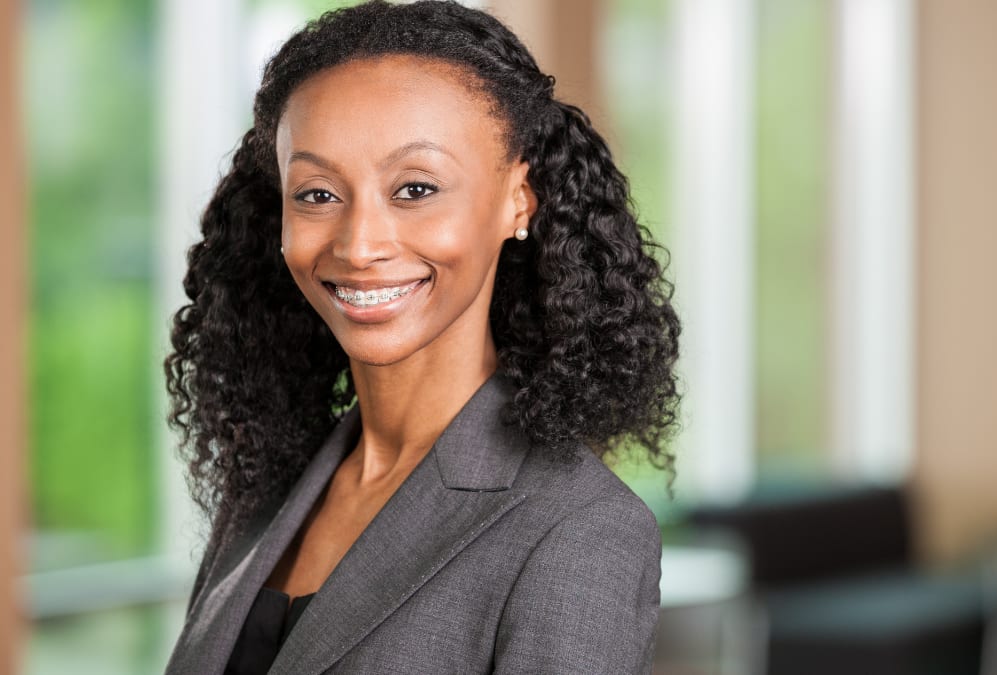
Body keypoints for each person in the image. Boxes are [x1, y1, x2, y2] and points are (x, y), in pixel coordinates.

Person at [161, 1, 680, 673]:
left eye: (414, 187)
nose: (360, 244)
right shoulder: (268, 491)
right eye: (317, 194)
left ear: (518, 199)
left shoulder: (577, 530)